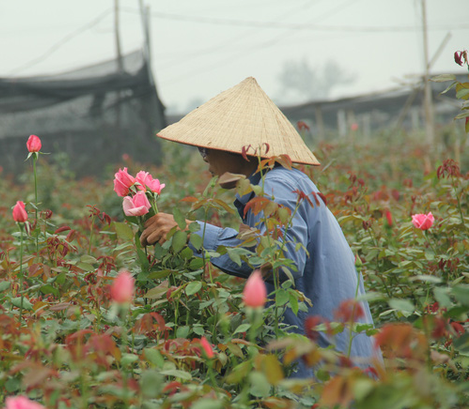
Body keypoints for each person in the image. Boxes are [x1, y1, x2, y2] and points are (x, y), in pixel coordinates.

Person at [140, 77, 379, 378]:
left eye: (206, 149)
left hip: (327, 368)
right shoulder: (288, 182)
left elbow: (281, 260)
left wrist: (191, 232)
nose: (205, 159)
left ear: (240, 151)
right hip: (342, 355)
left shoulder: (274, 186)